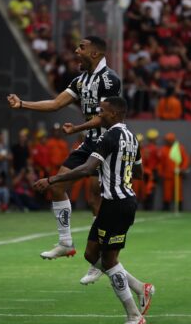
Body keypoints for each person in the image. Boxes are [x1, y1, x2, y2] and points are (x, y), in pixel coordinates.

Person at [34, 97, 154, 324]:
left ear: (115, 114)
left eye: (104, 112)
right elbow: (139, 172)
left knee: (109, 261)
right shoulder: (132, 138)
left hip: (117, 204)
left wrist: (52, 180)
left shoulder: (108, 136)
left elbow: (88, 168)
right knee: (91, 254)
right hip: (116, 203)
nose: (100, 116)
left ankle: (134, 316)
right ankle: (141, 288)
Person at [7, 36, 121, 263]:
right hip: (89, 141)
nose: (76, 50)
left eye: (82, 47)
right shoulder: (81, 80)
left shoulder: (109, 80)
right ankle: (66, 243)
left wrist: (77, 127)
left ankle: (99, 259)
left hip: (107, 143)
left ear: (95, 53)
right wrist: (23, 104)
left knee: (95, 198)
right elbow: (56, 103)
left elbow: (106, 117)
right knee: (58, 184)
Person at [158, 132, 189, 211]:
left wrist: (182, 169)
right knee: (167, 194)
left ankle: (179, 208)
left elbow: (185, 160)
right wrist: (160, 173)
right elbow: (160, 163)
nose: (169, 142)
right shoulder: (163, 149)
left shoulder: (180, 148)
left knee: (178, 193)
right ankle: (166, 208)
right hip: (167, 175)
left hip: (177, 175)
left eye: (170, 140)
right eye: (167, 140)